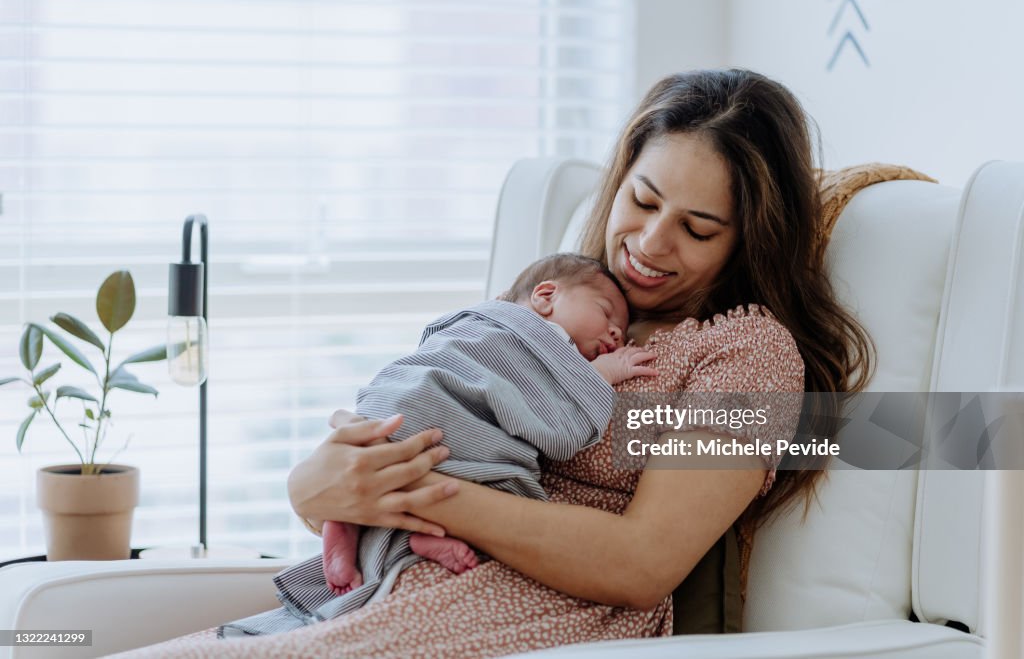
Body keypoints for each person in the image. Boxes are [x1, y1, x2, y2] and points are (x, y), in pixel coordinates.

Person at [113, 69, 873, 659]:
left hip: (542, 612)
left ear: (749, 240)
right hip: (395, 579)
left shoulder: (746, 354)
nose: (650, 243)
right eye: (641, 200)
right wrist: (314, 484)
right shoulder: (563, 300)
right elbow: (420, 419)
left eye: (698, 229)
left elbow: (642, 561)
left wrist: (423, 492)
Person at [307, 254, 655, 607]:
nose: (615, 331)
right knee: (509, 491)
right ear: (545, 296)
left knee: (448, 486)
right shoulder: (534, 336)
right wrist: (603, 374)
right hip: (438, 412)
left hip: (389, 407)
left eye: (622, 332)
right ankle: (410, 532)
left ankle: (361, 527)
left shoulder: (478, 319)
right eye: (606, 312)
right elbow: (558, 425)